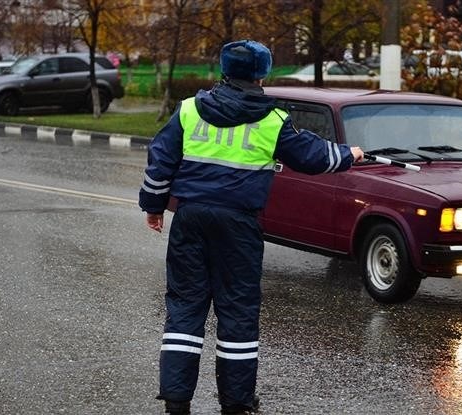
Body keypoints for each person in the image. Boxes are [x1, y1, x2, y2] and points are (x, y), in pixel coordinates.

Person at [138, 39, 364, 415]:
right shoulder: (271, 120)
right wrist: (348, 155)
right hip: (238, 225)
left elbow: (160, 159)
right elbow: (311, 156)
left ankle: (176, 401)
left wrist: (153, 206)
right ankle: (237, 403)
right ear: (262, 74)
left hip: (191, 219)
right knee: (238, 311)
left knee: (185, 308)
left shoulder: (189, 110)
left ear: (223, 71)